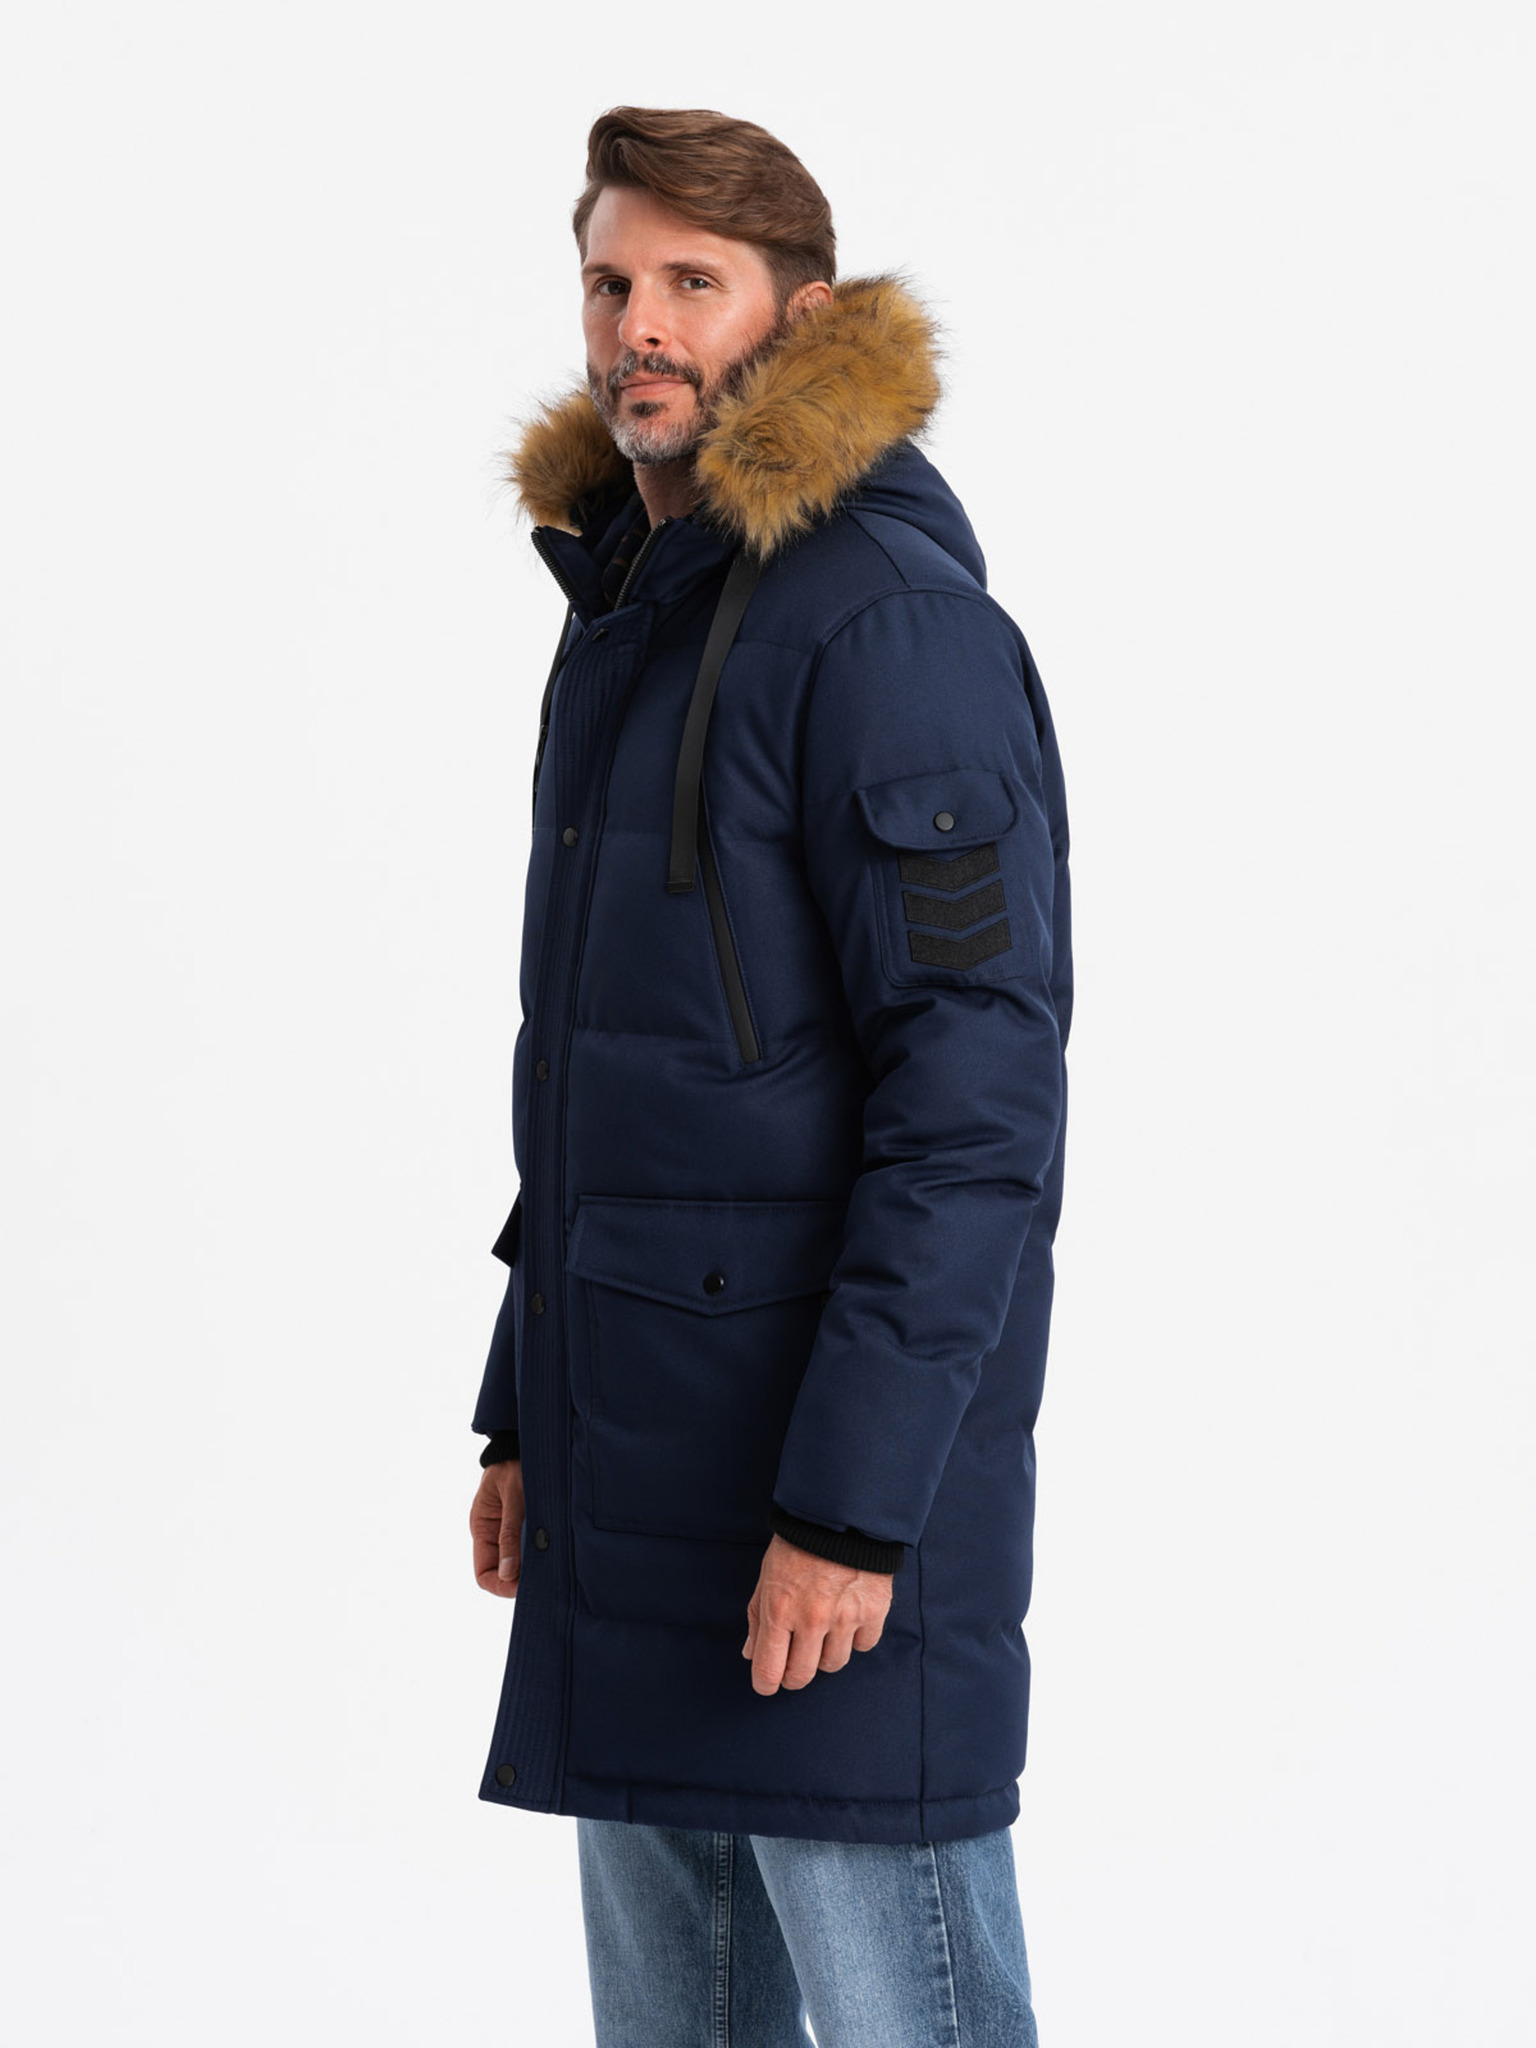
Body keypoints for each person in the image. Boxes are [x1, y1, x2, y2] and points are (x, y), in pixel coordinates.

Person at [467, 103, 1073, 2046]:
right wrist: (522, 1411)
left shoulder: (888, 625)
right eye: (610, 282)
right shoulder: (629, 618)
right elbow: (610, 1078)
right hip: (639, 1494)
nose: (637, 325)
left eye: (690, 283)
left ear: (800, 318)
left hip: (826, 1526)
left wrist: (855, 1513)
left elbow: (972, 1110)